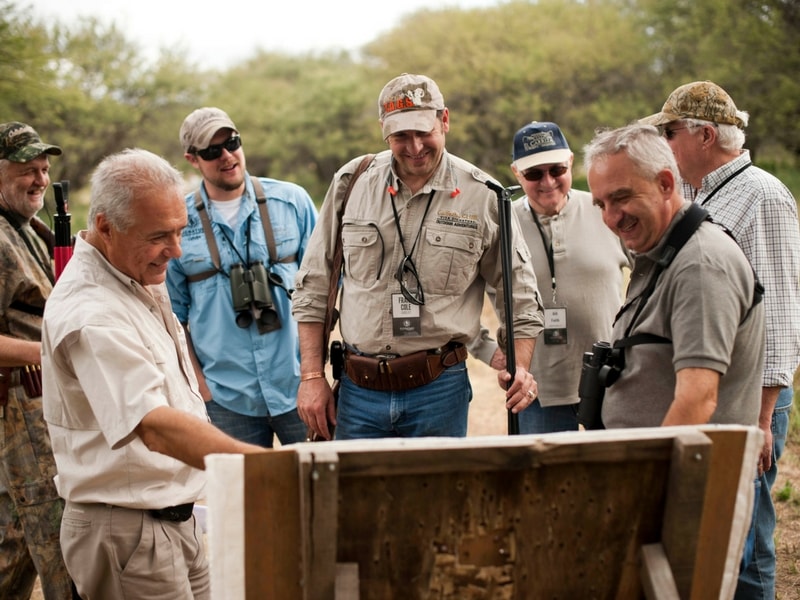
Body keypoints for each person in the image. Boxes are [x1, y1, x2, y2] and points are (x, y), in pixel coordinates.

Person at [41, 148, 264, 599]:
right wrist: (264, 468)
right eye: (160, 235)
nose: (176, 251)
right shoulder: (92, 311)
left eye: (180, 232)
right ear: (105, 225)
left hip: (170, 518)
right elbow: (156, 427)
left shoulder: (132, 268)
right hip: (129, 531)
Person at [292, 73, 545, 441]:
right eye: (400, 136)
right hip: (358, 391)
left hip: (439, 390)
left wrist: (519, 366)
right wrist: (312, 378)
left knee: (437, 499)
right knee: (355, 499)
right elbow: (314, 285)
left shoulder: (484, 195)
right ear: (383, 130)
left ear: (445, 120)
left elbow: (519, 294)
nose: (413, 147)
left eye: (423, 132)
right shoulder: (352, 182)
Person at [641, 81, 800, 599]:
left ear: (705, 135)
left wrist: (760, 419)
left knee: (746, 545)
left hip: (746, 399)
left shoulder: (764, 196)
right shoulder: (689, 194)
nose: (664, 142)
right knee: (703, 539)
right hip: (701, 388)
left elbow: (778, 313)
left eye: (670, 132)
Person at [583, 123, 764, 429]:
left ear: (666, 184)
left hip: (684, 474)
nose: (611, 218)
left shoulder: (700, 265)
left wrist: (657, 475)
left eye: (622, 197)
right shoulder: (663, 251)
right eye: (602, 204)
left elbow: (698, 400)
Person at [167, 107, 318, 448]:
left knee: (320, 493)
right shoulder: (178, 219)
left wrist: (315, 374)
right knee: (244, 499)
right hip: (226, 398)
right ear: (192, 159)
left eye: (232, 142)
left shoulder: (292, 201)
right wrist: (203, 389)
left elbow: (328, 287)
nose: (227, 156)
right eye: (211, 151)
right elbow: (173, 318)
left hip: (299, 386)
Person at [470, 121, 631, 433]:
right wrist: (487, 350)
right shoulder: (500, 223)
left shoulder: (606, 210)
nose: (547, 181)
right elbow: (456, 296)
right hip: (535, 391)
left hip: (610, 381)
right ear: (516, 172)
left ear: (571, 162)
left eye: (556, 169)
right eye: (533, 174)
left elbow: (649, 279)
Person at [0, 122, 75, 599]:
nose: (40, 180)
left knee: (13, 541)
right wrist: (49, 355)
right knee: (61, 540)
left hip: (38, 408)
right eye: (27, 169)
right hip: (20, 410)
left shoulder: (25, 227)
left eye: (44, 169)